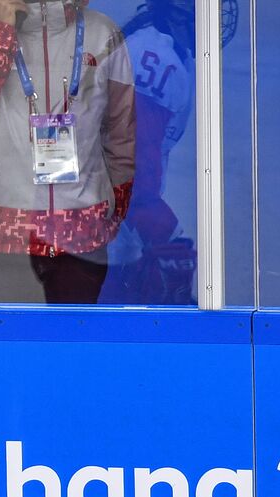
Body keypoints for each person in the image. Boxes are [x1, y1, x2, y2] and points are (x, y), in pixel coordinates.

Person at [0, 0, 135, 305]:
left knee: (72, 348)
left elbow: (120, 135)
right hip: (2, 240)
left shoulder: (103, 33)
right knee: (6, 350)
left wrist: (110, 212)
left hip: (82, 236)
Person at [105, 0, 236, 305]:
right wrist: (162, 230)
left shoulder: (161, 46)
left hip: (113, 221)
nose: (215, 20)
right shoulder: (156, 59)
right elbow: (132, 166)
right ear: (178, 14)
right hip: (104, 227)